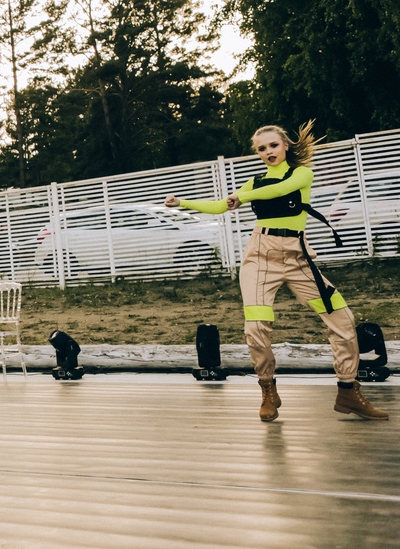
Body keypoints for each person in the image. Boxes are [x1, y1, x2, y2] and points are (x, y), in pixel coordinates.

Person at [165, 121, 388, 423]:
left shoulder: (301, 174)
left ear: (285, 146)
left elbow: (281, 189)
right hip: (260, 257)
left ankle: (348, 390)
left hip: (297, 258)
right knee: (256, 327)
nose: (268, 152)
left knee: (342, 318)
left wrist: (243, 198)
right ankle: (267, 389)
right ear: (257, 153)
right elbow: (220, 206)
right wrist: (182, 202)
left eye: (273, 145)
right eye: (262, 149)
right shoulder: (254, 183)